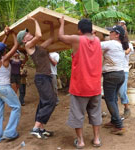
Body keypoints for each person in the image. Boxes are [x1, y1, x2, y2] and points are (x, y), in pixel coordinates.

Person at [58, 16, 102, 149]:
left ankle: (81, 141)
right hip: (95, 87)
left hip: (80, 87)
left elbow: (61, 37)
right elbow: (92, 36)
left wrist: (61, 23)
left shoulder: (77, 39)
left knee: (78, 115)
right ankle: (96, 140)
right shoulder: (98, 40)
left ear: (79, 31)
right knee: (95, 113)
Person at [17, 16, 57, 139]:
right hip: (41, 78)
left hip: (46, 77)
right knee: (51, 101)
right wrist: (35, 20)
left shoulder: (39, 47)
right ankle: (36, 128)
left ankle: (40, 128)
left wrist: (51, 24)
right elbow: (39, 36)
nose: (29, 34)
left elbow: (51, 38)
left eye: (28, 33)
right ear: (24, 40)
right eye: (27, 34)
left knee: (44, 102)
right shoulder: (28, 46)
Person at [0, 27, 21, 144]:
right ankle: (9, 133)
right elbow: (16, 46)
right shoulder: (6, 59)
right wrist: (13, 34)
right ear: (4, 51)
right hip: (4, 88)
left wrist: (6, 35)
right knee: (16, 107)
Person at [101, 25, 128, 135]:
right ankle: (114, 121)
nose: (109, 34)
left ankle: (119, 126)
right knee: (113, 99)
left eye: (111, 32)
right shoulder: (121, 45)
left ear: (117, 35)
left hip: (112, 75)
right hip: (120, 74)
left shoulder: (112, 43)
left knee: (110, 100)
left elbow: (95, 45)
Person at [118, 42, 134, 119]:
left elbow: (127, 52)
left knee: (122, 91)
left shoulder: (128, 44)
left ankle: (127, 108)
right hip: (114, 70)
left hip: (124, 70)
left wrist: (116, 51)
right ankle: (115, 115)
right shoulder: (113, 44)